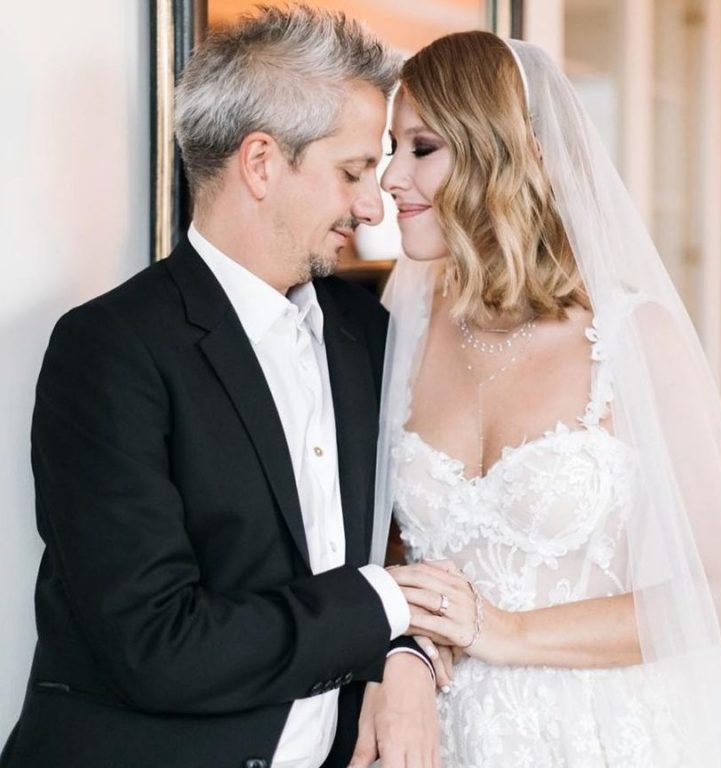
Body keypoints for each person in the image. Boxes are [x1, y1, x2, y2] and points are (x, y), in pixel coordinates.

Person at [0, 7, 441, 768]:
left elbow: (410, 533)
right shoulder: (108, 352)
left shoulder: (370, 335)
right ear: (261, 163)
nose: (373, 206)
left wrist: (406, 652)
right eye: (352, 171)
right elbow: (157, 645)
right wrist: (383, 603)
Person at [372, 31, 721, 766]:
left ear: (504, 155)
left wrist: (505, 631)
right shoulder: (402, 321)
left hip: (598, 733)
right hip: (440, 734)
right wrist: (405, 653)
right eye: (392, 148)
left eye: (422, 148)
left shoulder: (633, 336)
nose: (390, 178)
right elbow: (371, 545)